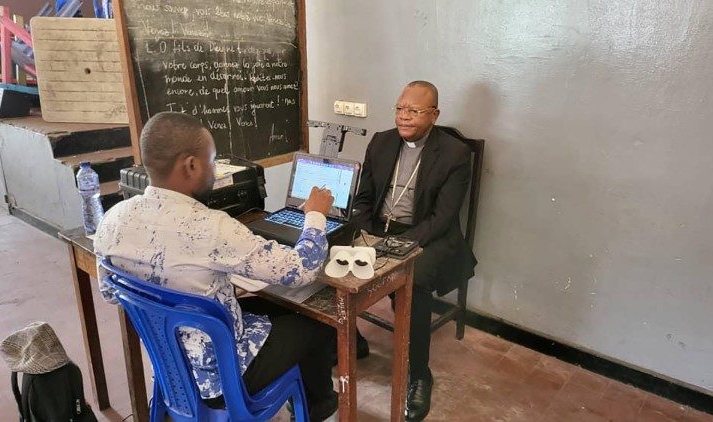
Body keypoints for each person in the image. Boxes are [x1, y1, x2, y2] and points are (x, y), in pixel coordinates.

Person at [94, 111, 338, 421]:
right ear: (191, 164)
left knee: (271, 308)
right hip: (221, 378)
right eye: (213, 160)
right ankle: (320, 407)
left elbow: (110, 293)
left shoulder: (113, 219)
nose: (215, 169)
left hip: (168, 365)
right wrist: (315, 215)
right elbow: (302, 268)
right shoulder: (212, 228)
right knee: (320, 324)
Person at [352, 81, 477, 421]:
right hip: (380, 228)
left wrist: (400, 248)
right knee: (328, 255)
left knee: (413, 282)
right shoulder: (381, 141)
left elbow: (443, 218)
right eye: (399, 108)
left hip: (427, 235)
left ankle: (419, 374)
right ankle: (353, 341)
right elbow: (363, 198)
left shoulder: (454, 154)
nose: (403, 117)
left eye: (413, 111)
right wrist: (361, 231)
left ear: (434, 115)